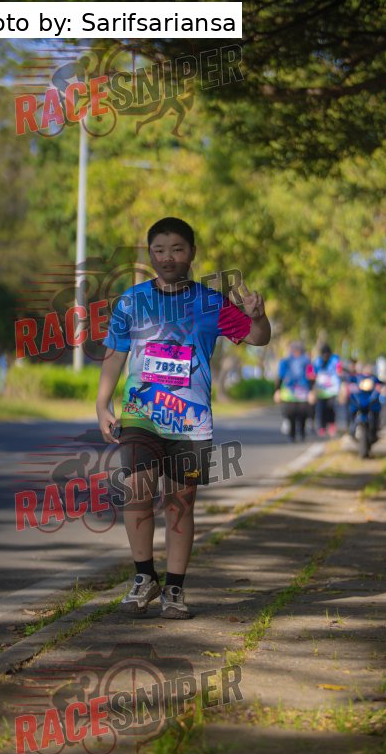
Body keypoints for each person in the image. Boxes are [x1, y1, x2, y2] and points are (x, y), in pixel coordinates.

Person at [96, 217, 271, 619]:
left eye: (176, 249)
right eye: (159, 250)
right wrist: (103, 403)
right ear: (150, 254)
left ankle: (174, 588)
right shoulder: (132, 302)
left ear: (191, 252)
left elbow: (258, 338)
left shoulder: (212, 303)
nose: (167, 257)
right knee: (137, 491)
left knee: (180, 503)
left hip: (191, 421)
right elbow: (115, 353)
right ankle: (144, 577)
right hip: (140, 415)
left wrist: (258, 317)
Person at [273, 341, 315, 442]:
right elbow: (280, 377)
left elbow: (311, 377)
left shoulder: (307, 362)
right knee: (290, 415)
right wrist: (277, 391)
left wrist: (311, 391)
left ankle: (302, 433)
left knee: (302, 415)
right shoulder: (285, 362)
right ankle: (292, 435)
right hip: (289, 393)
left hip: (303, 392)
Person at [313, 344, 342, 437]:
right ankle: (322, 426)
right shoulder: (317, 361)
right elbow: (312, 371)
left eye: (327, 354)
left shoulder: (335, 360)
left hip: (332, 390)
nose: (325, 356)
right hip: (321, 391)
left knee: (331, 408)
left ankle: (331, 425)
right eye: (324, 354)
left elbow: (339, 371)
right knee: (321, 409)